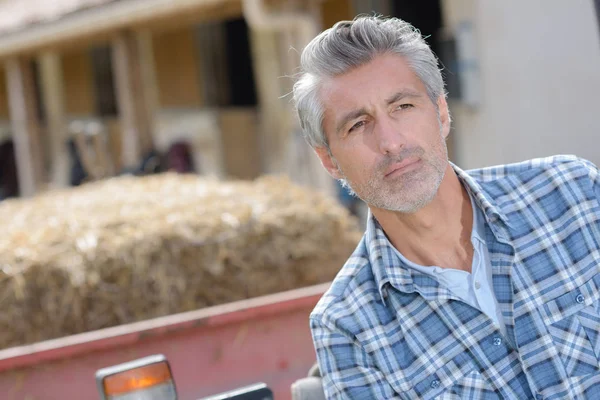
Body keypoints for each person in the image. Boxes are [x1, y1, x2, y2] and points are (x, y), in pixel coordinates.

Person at [292, 15, 600, 400]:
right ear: (330, 161)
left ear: (440, 112)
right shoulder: (347, 327)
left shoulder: (572, 194)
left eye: (402, 106)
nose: (390, 142)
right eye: (357, 125)